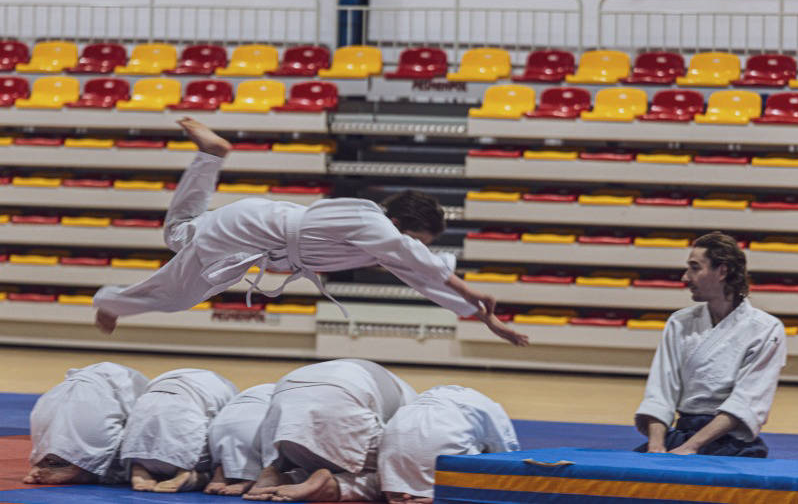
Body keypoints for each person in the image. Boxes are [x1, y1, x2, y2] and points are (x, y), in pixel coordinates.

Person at [93, 118, 527, 347]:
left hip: (253, 226)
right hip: (251, 235)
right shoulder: (373, 224)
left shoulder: (375, 233)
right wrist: (472, 295)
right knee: (178, 295)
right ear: (403, 226)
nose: (416, 247)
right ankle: (112, 302)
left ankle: (211, 155)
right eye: (417, 239)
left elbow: (422, 275)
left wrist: (482, 317)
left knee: (179, 233)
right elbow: (419, 260)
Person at [635, 231, 787, 457]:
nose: (685, 278)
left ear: (722, 271)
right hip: (678, 436)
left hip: (729, 442)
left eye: (695, 268)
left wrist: (692, 447)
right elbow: (660, 391)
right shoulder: (680, 322)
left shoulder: (766, 329)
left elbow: (746, 402)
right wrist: (656, 446)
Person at [243, 359, 418, 502]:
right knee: (395, 478)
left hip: (287, 390)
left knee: (317, 453)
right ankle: (334, 485)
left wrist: (273, 462)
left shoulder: (398, 389)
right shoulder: (413, 405)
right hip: (344, 400)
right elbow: (403, 458)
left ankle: (283, 476)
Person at [379, 385, 520, 504]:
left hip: (394, 443)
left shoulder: (415, 402)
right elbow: (508, 459)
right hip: (442, 446)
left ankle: (402, 491)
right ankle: (441, 495)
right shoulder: (489, 407)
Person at [24, 362, 148, 485]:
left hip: (49, 402)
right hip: (92, 407)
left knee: (57, 437)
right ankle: (82, 468)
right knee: (145, 447)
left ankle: (49, 462)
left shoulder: (131, 380)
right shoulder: (146, 389)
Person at [120, 368, 238, 492]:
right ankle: (190, 475)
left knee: (145, 424)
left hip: (136, 452)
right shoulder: (229, 391)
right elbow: (227, 431)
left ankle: (139, 469)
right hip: (184, 456)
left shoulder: (160, 380)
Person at [205, 383, 276, 496]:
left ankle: (222, 469)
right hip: (253, 425)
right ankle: (249, 477)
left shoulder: (260, 389)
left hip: (219, 426)